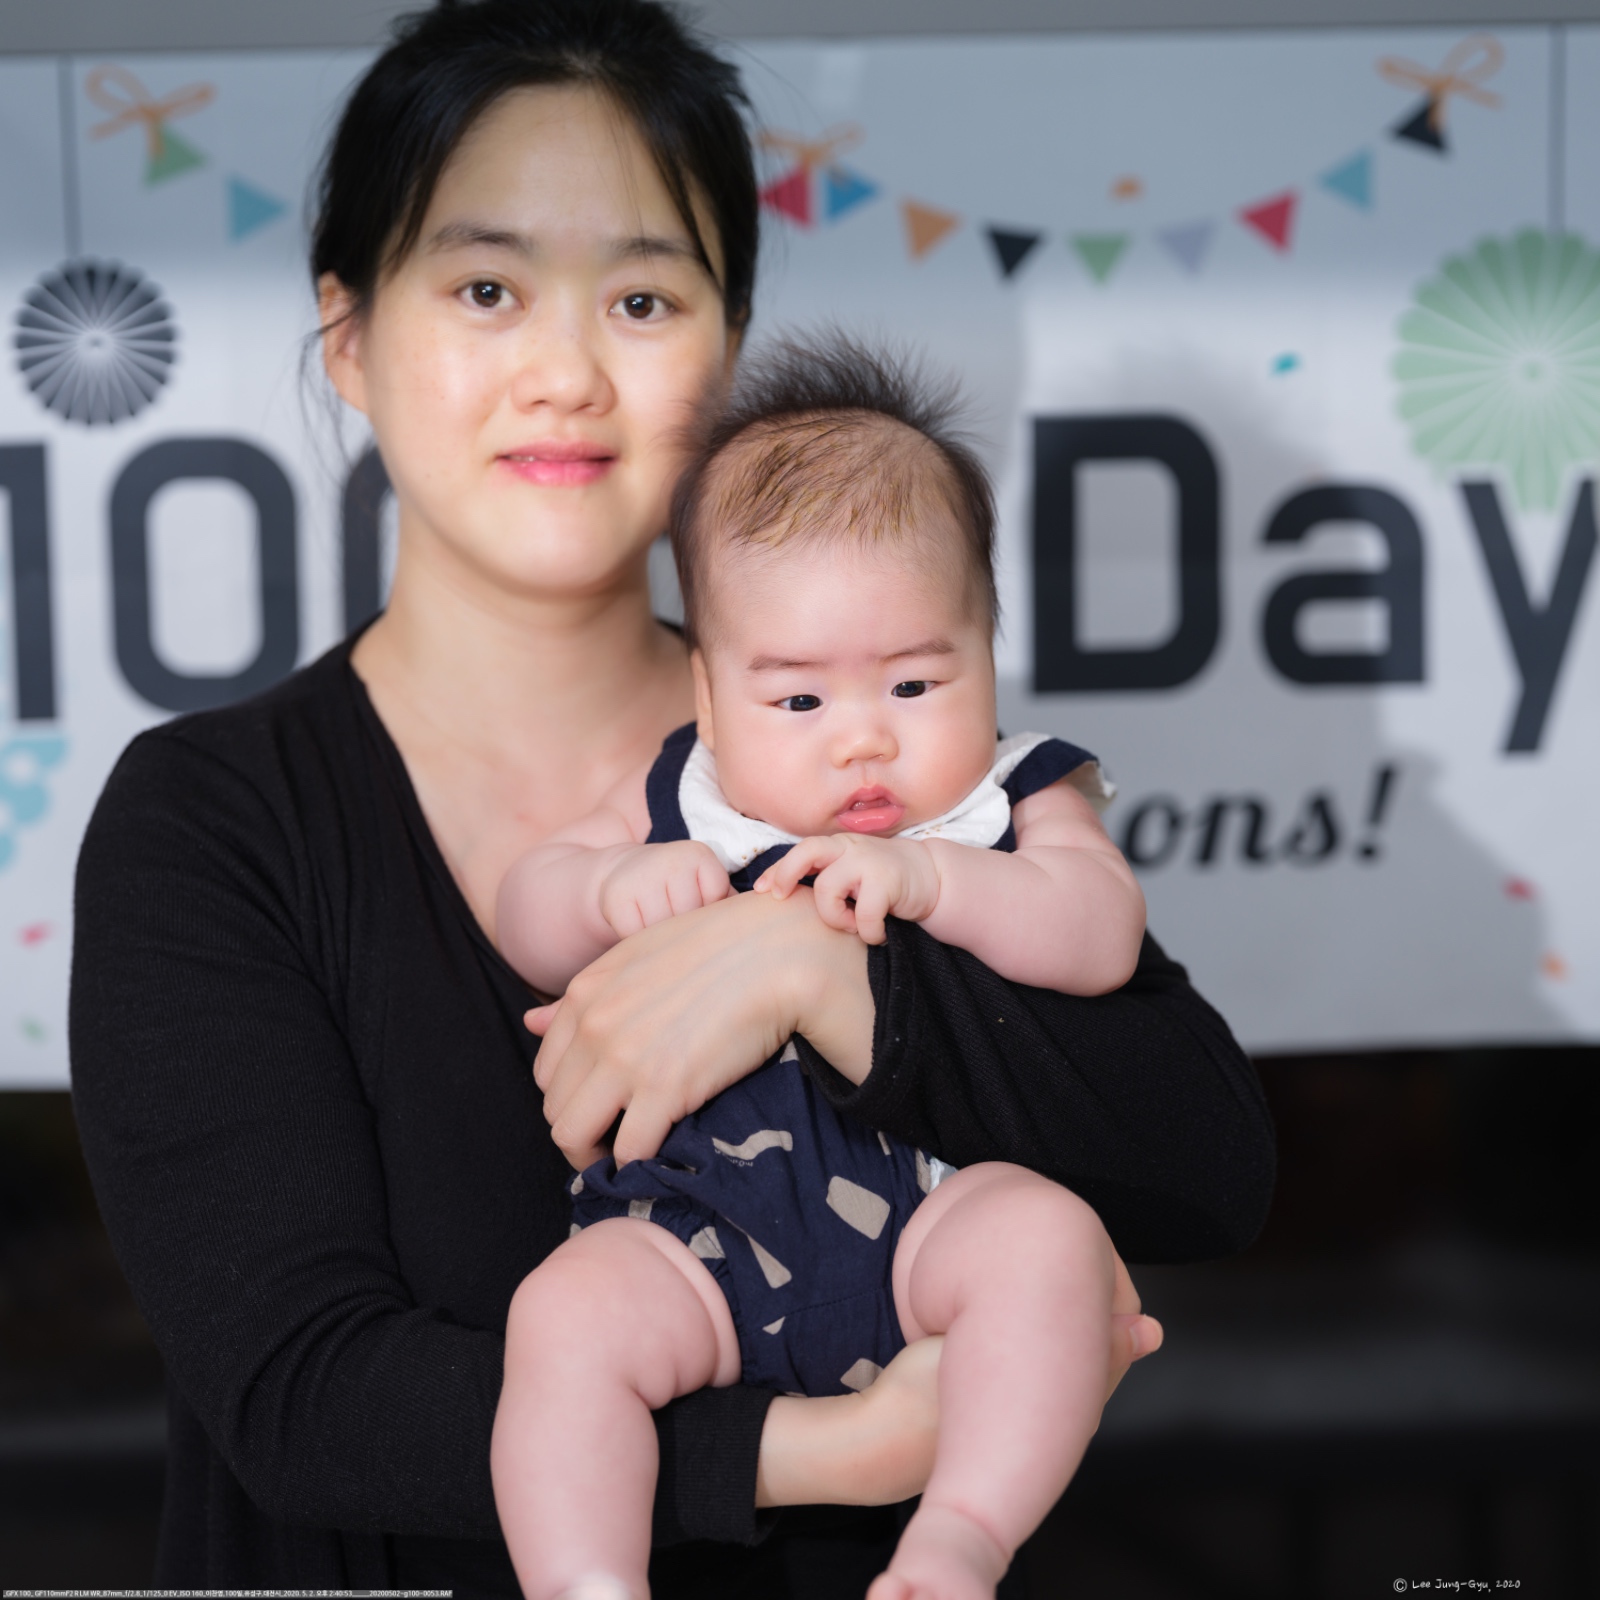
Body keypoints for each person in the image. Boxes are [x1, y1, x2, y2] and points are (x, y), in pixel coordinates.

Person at [68, 2, 1275, 1593]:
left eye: (644, 298)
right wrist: (831, 1452)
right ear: (348, 334)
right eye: (486, 289)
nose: (567, 374)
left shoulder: (874, 755)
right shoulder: (216, 820)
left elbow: (1204, 1163)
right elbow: (300, 1396)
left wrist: (817, 972)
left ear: (727, 346)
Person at [490, 338, 1149, 1600]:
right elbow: (526, 909)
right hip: (694, 1240)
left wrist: (941, 880)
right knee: (563, 1319)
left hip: (933, 1228)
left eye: (914, 681)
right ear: (709, 691)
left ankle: (960, 1535)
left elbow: (1100, 931)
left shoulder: (1012, 795)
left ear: (988, 651)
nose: (862, 739)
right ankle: (585, 1585)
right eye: (798, 701)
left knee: (1048, 1242)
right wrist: (604, 888)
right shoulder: (680, 794)